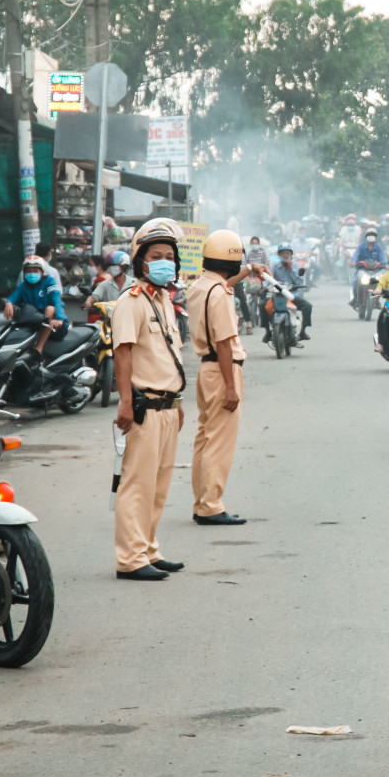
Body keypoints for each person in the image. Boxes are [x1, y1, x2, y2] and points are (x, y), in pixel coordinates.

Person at [110, 221, 190, 580]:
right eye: (156, 256)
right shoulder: (132, 302)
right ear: (140, 261)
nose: (164, 263)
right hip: (144, 407)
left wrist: (178, 403)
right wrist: (125, 402)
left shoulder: (164, 301)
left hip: (168, 406)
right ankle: (130, 559)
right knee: (137, 484)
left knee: (158, 485)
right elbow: (122, 353)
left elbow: (167, 356)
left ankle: (149, 549)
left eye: (170, 257)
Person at [190, 228, 254, 527]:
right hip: (222, 370)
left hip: (206, 369)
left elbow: (222, 285)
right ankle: (211, 506)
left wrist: (248, 272)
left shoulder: (200, 286)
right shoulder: (221, 296)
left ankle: (202, 502)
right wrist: (231, 387)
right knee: (219, 442)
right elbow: (225, 343)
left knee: (205, 438)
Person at [3, 254, 65, 356]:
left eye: (35, 271)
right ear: (24, 273)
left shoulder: (49, 282)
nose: (32, 274)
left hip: (55, 326)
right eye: (29, 271)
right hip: (34, 324)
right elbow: (13, 298)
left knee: (50, 309)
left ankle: (39, 347)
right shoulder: (23, 286)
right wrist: (8, 303)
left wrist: (59, 318)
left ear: (42, 272)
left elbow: (57, 299)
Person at [267, 244, 314, 344]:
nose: (285, 255)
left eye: (287, 253)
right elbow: (268, 279)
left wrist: (291, 269)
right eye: (283, 253)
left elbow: (299, 281)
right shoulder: (274, 267)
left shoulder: (295, 266)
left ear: (290, 254)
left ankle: (302, 331)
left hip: (292, 296)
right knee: (263, 305)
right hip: (278, 296)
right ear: (279, 254)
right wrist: (264, 286)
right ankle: (267, 332)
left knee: (308, 306)